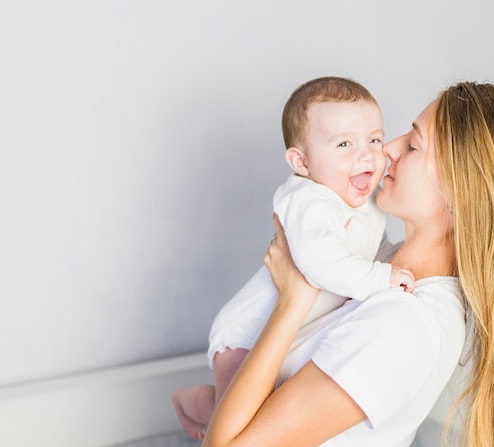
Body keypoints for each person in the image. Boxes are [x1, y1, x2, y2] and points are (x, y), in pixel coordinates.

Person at [201, 82, 494, 447]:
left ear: (461, 193)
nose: (388, 150)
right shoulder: (378, 265)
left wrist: (292, 301)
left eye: (413, 146)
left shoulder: (405, 323)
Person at [173, 77, 415, 440]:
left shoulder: (364, 202)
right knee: (235, 423)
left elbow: (373, 250)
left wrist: (394, 263)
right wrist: (381, 279)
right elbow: (320, 264)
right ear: (301, 162)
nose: (366, 155)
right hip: (244, 338)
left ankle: (206, 413)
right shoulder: (309, 200)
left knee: (258, 417)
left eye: (374, 140)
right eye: (344, 144)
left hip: (281, 335)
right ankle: (190, 405)